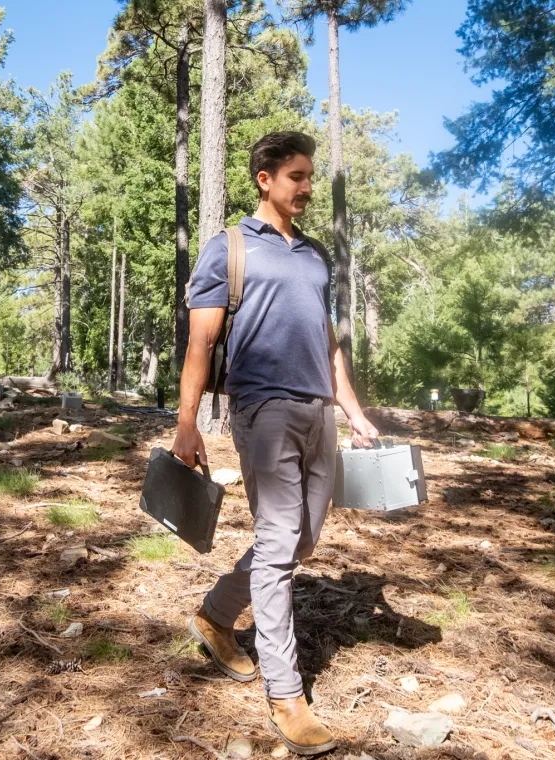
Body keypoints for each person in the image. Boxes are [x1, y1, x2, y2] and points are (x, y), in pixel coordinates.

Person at [172, 130, 378, 756]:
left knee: (300, 540)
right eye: (297, 176)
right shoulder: (228, 249)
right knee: (280, 541)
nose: (308, 187)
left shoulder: (315, 257)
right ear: (265, 178)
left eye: (310, 176)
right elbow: (201, 345)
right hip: (261, 412)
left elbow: (328, 344)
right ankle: (287, 694)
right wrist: (187, 423)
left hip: (318, 413)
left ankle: (212, 614)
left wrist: (354, 411)